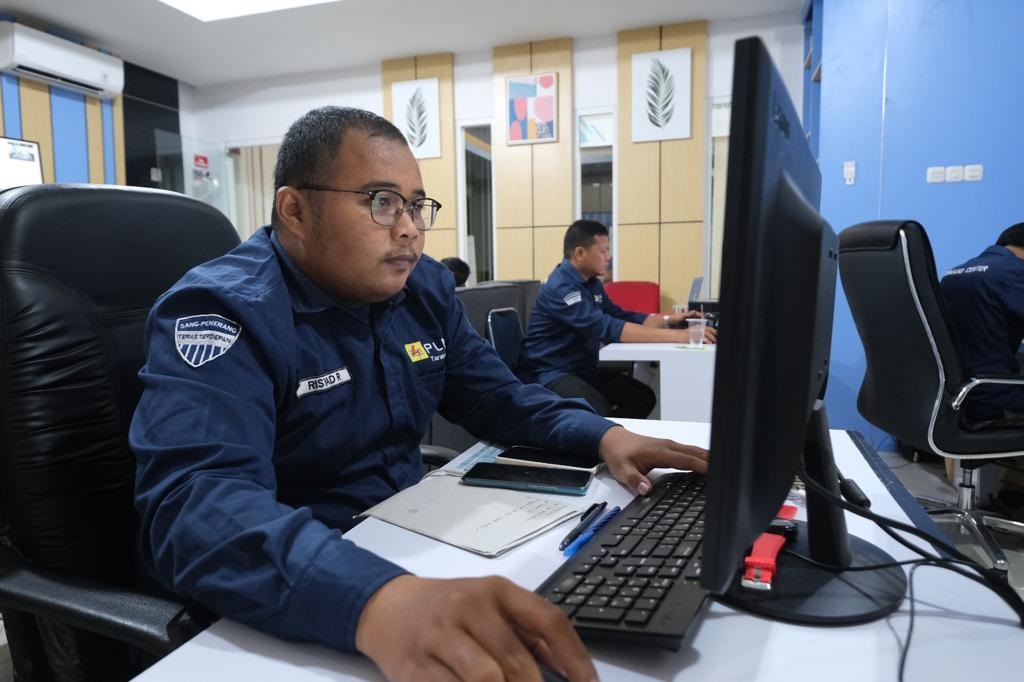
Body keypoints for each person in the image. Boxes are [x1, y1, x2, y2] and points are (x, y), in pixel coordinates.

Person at [130, 106, 710, 682]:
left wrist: (605, 435)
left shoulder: (423, 288)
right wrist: (378, 600)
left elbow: (498, 397)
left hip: (408, 536)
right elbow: (198, 506)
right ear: (296, 210)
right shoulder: (224, 310)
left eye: (416, 205)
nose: (409, 227)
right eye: (381, 202)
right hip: (298, 586)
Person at [518, 220, 716, 419]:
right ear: (580, 253)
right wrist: (681, 337)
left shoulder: (591, 283)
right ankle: (600, 435)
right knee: (600, 410)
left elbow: (619, 316)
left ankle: (610, 434)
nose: (609, 257)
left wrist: (669, 321)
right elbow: (606, 327)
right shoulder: (562, 288)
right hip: (549, 372)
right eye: (603, 251)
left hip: (581, 368)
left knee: (642, 398)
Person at [940, 221, 1024, 516]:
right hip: (990, 400)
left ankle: (1013, 497)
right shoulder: (1015, 275)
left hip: (952, 399)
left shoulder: (955, 273)